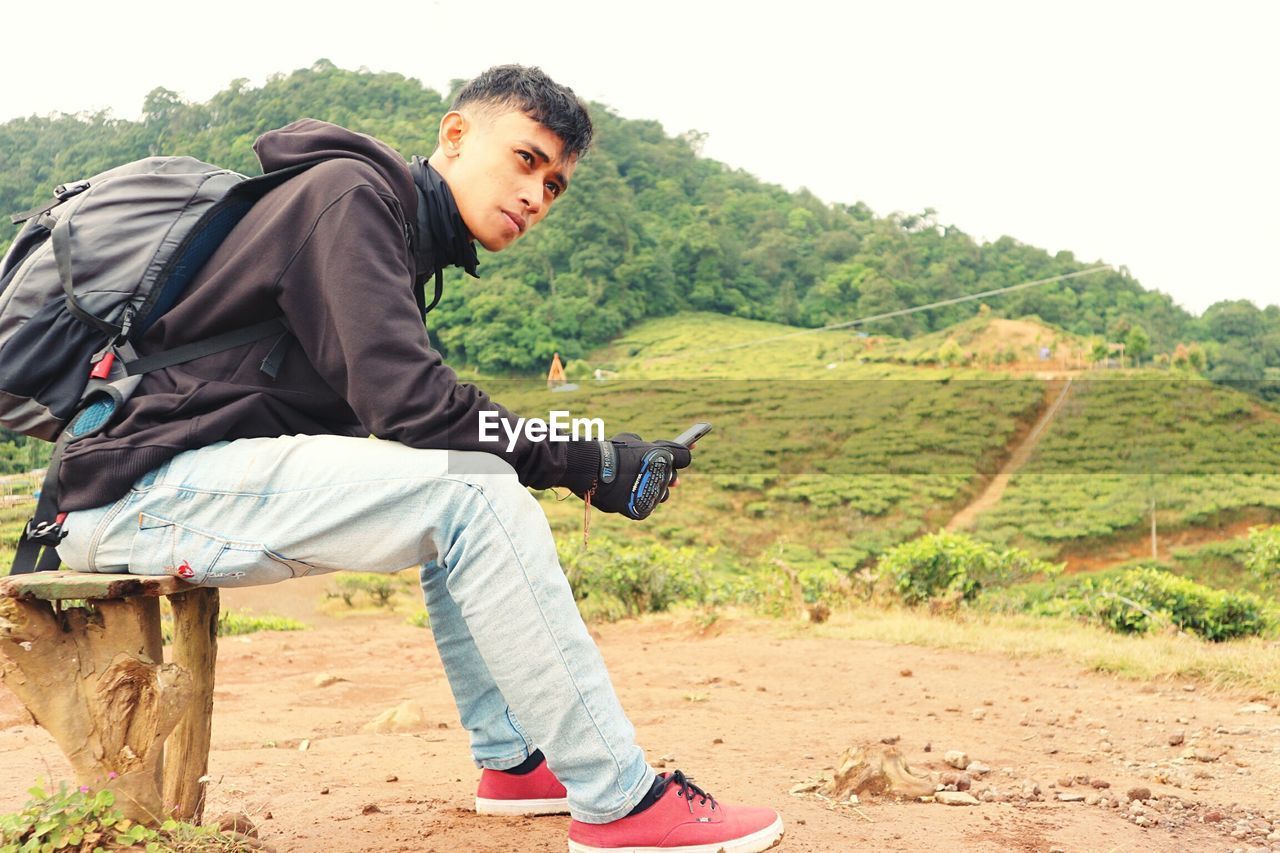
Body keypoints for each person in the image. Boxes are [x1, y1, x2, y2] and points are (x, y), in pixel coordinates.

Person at [52, 65, 783, 852]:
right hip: (131, 491)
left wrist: (583, 459)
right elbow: (409, 403)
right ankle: (623, 802)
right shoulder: (349, 197)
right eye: (527, 160)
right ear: (456, 134)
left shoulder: (398, 233)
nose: (538, 196)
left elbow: (421, 423)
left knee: (471, 482)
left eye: (557, 186)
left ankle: (514, 759)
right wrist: (590, 464)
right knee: (473, 497)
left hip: (184, 477)